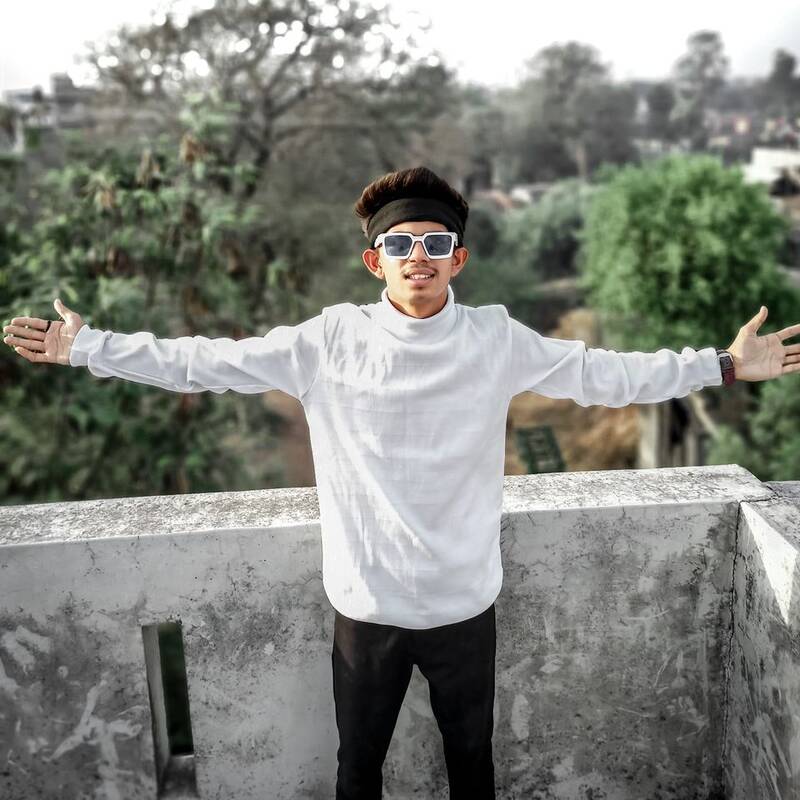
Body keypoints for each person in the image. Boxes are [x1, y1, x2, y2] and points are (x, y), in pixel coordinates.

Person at [4, 166, 800, 800]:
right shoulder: (328, 340)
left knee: (473, 769)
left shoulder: (495, 339)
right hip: (366, 609)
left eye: (435, 241)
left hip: (465, 607)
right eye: (400, 243)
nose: (418, 255)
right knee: (357, 773)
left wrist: (724, 365)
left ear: (458, 258)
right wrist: (88, 347)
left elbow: (605, 374)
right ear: (374, 260)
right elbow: (204, 361)